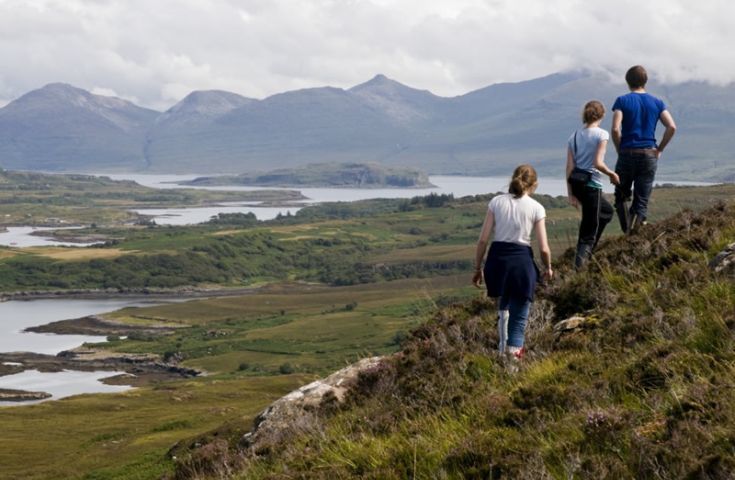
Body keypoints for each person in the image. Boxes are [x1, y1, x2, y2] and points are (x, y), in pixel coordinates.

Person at [472, 165, 553, 361]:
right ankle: (513, 363)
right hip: (521, 262)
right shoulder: (536, 208)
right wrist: (548, 267)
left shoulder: (496, 202)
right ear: (534, 184)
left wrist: (477, 268)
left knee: (504, 304)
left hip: (497, 260)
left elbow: (483, 240)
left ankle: (502, 352)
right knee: (519, 316)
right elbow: (543, 248)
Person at [611, 65, 677, 233]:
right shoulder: (657, 102)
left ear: (627, 82)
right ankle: (635, 235)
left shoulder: (622, 101)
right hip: (649, 154)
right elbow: (671, 127)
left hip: (627, 153)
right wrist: (659, 149)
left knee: (621, 196)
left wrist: (620, 149)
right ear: (645, 81)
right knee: (641, 201)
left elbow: (615, 129)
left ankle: (627, 231)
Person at [566, 100, 620, 268]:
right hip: (592, 186)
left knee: (606, 211)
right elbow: (597, 162)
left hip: (577, 185)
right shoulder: (602, 134)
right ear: (602, 115)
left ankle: (588, 252)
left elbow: (569, 167)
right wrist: (612, 174)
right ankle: (580, 268)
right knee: (588, 230)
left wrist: (571, 193)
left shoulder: (573, 136)